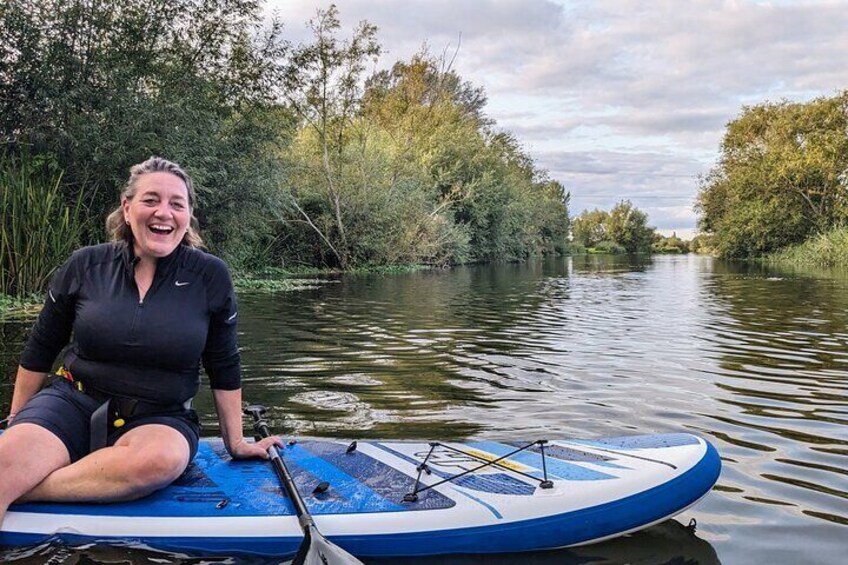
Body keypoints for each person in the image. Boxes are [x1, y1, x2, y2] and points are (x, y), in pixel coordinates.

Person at [0, 156, 281, 527]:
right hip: (71, 401)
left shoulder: (210, 276)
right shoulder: (84, 265)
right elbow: (40, 348)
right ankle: (29, 475)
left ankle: (26, 486)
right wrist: (17, 422)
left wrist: (237, 442)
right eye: (151, 200)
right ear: (127, 206)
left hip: (160, 416)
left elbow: (224, 364)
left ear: (188, 216)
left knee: (159, 462)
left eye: (176, 204)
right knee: (7, 461)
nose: (163, 212)